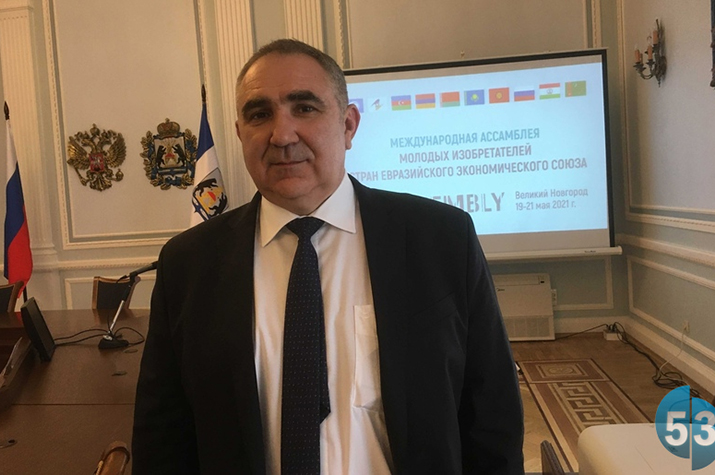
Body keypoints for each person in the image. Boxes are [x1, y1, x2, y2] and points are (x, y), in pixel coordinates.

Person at [132, 38, 524, 474]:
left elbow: (491, 416)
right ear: (241, 133)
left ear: (349, 125)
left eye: (305, 108)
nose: (282, 135)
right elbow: (163, 434)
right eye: (259, 114)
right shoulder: (189, 264)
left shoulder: (441, 239)